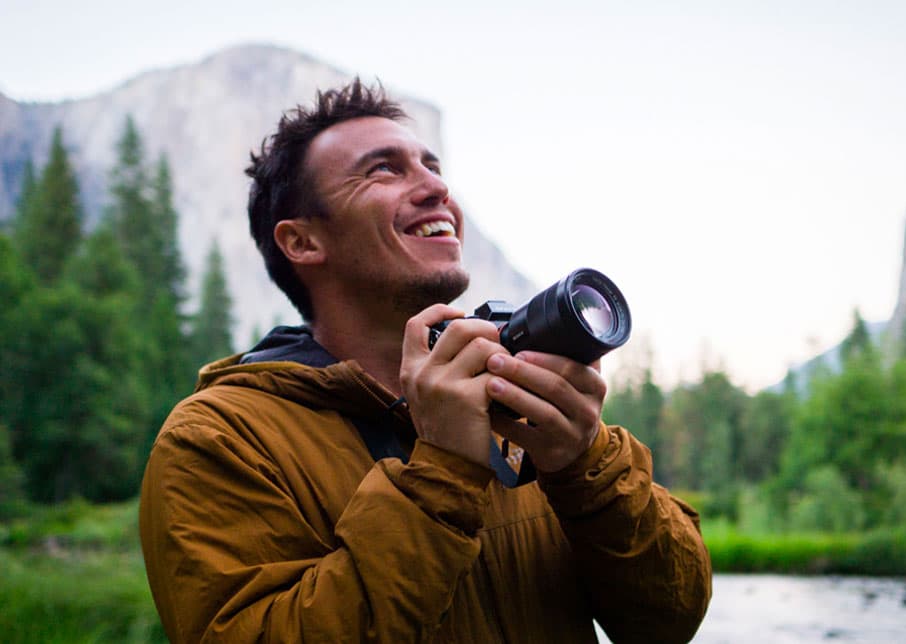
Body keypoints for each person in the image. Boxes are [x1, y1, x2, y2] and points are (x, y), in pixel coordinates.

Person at [139, 77, 712, 643]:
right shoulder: (217, 439)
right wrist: (441, 470)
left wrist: (585, 463)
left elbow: (668, 619)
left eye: (432, 167)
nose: (437, 189)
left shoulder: (519, 403)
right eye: (384, 169)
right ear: (302, 243)